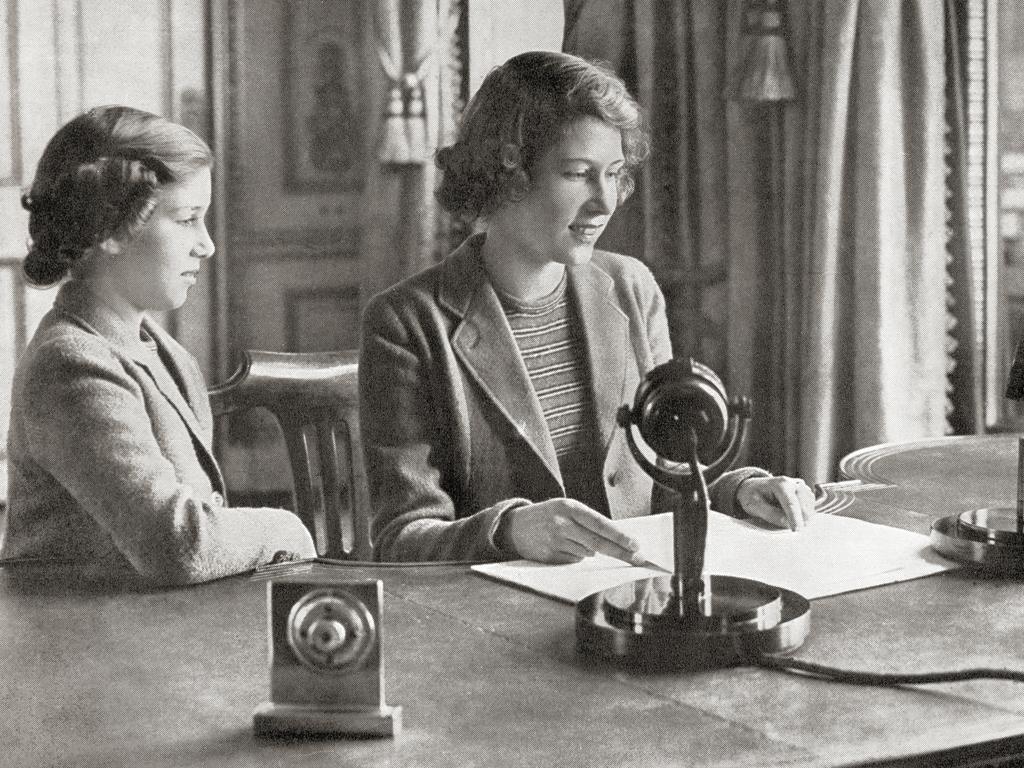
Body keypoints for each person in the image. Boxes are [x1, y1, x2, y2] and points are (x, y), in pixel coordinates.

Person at [359, 51, 816, 564]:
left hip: (631, 602)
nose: (605, 203)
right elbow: (400, 538)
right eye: (579, 174)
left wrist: (740, 490)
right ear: (508, 171)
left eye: (615, 174)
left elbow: (665, 470)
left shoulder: (631, 288)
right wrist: (509, 531)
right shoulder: (406, 324)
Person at [2, 106, 315, 585]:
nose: (207, 245)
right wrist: (288, 527)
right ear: (111, 229)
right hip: (80, 644)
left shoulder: (162, 351)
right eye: (188, 219)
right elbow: (180, 545)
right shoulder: (70, 364)